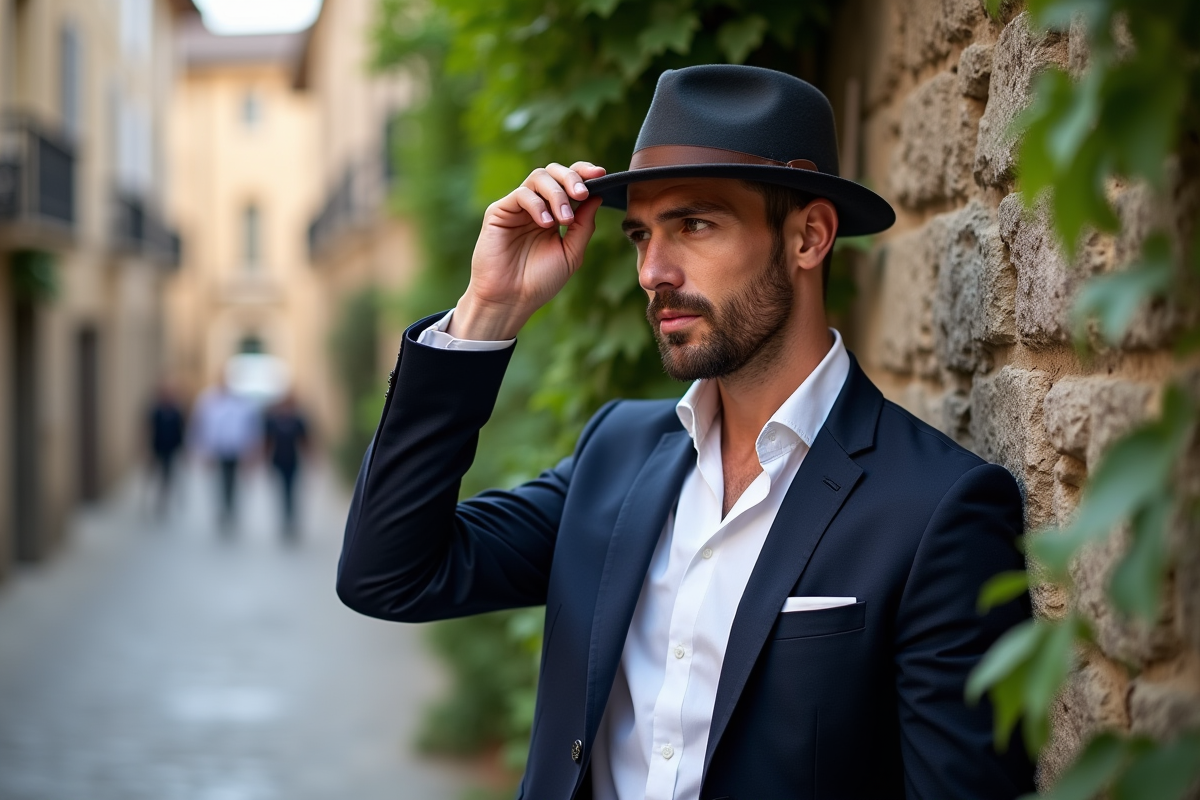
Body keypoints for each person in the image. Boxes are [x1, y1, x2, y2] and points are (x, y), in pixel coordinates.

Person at [337, 65, 1035, 799]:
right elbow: (389, 574)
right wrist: (487, 309)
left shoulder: (936, 509)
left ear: (809, 237)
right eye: (641, 234)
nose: (652, 271)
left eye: (694, 225)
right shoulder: (618, 455)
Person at [191, 376, 261, 531]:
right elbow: (198, 426)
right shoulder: (207, 399)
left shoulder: (243, 402)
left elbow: (252, 427)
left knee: (232, 482)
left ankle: (230, 509)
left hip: (236, 449)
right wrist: (200, 449)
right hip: (216, 449)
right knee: (219, 482)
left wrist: (252, 451)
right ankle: (222, 509)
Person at [264, 392, 309, 539]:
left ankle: (291, 521)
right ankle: (285, 520)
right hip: (278, 461)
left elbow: (304, 441)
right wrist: (264, 458)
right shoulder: (273, 421)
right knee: (282, 492)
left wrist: (311, 458)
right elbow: (268, 441)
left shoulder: (297, 421)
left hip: (293, 461)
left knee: (291, 491)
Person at [147, 382, 186, 517]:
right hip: (157, 447)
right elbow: (148, 429)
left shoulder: (176, 411)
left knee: (168, 475)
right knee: (155, 475)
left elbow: (181, 431)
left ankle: (164, 500)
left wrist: (183, 450)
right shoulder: (156, 411)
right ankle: (157, 499)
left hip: (171, 449)